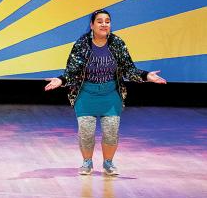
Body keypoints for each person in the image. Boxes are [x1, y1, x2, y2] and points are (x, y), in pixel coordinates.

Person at [45, 9, 166, 176]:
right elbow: (72, 71)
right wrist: (61, 80)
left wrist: (146, 76)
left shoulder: (117, 43)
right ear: (92, 25)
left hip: (110, 95)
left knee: (111, 132)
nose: (104, 24)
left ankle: (108, 163)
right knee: (86, 133)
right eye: (100, 21)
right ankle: (87, 162)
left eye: (107, 21)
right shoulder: (82, 44)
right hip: (86, 95)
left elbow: (128, 69)